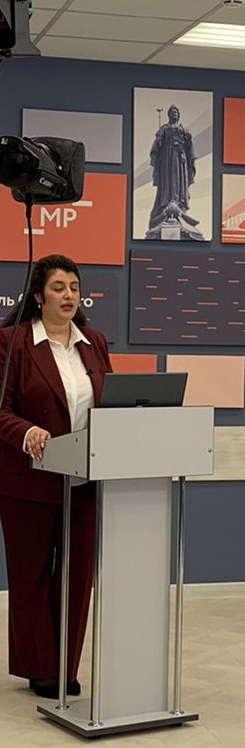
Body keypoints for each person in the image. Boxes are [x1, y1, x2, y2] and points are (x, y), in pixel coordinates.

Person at [0, 254, 113, 698]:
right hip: (27, 481)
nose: (69, 296)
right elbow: (2, 410)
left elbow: (110, 404)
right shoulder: (12, 342)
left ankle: (65, 666)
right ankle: (40, 668)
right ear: (37, 296)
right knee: (30, 577)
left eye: (74, 287)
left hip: (84, 480)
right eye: (59, 287)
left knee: (76, 577)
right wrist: (27, 432)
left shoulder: (94, 343)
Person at [145, 104, 203, 240]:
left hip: (180, 158)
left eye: (176, 112)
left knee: (179, 182)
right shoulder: (164, 128)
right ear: (169, 115)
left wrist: (188, 138)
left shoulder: (183, 129)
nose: (174, 114)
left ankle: (178, 203)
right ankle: (167, 204)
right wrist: (159, 141)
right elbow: (157, 145)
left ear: (179, 115)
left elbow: (189, 147)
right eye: (172, 112)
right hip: (167, 159)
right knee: (168, 181)